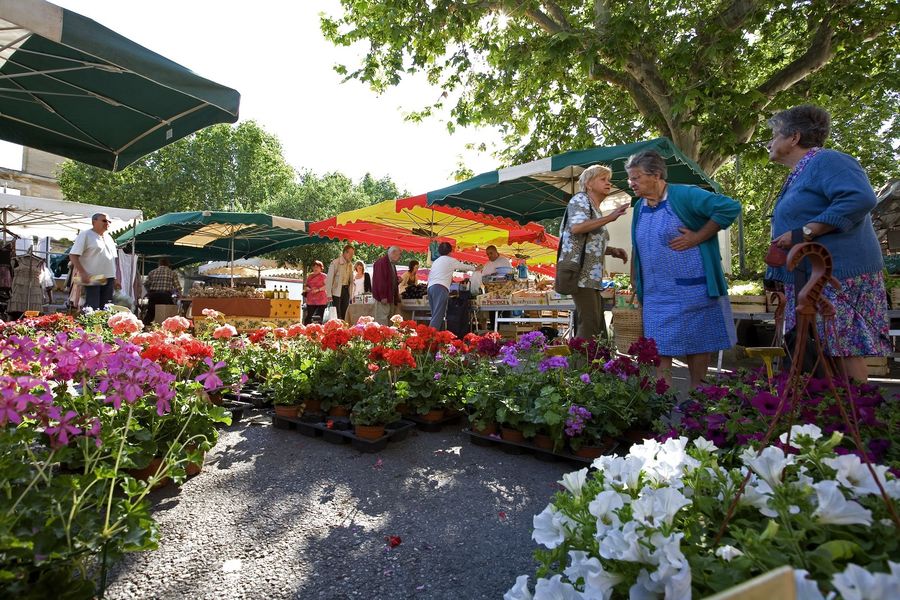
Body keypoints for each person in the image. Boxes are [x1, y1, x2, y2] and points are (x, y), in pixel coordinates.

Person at [767, 105, 889, 382]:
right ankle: (834, 417)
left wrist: (807, 231)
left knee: (842, 347)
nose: (770, 143)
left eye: (774, 135)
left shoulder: (828, 161)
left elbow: (860, 198)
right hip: (812, 278)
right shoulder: (803, 171)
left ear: (794, 137)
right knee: (820, 349)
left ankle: (861, 416)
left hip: (836, 275)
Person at [628, 150, 740, 388]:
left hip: (693, 289)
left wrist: (699, 236)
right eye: (631, 178)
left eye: (636, 177)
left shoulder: (684, 195)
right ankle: (662, 404)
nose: (631, 183)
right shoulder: (639, 207)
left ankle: (698, 399)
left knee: (697, 345)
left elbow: (729, 207)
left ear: (656, 175)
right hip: (657, 294)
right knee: (658, 348)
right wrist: (635, 282)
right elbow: (637, 245)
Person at [558, 164, 629, 340]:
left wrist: (611, 251)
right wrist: (611, 217)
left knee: (597, 325)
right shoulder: (580, 200)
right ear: (589, 184)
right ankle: (580, 366)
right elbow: (577, 228)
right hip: (581, 275)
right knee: (589, 324)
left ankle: (596, 364)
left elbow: (589, 243)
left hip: (591, 277)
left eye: (609, 180)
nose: (608, 183)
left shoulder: (594, 208)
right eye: (603, 179)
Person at [69, 212, 120, 310]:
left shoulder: (109, 237)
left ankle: (102, 325)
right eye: (104, 220)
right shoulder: (86, 235)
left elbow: (112, 259)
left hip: (109, 277)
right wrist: (83, 273)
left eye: (109, 221)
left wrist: (115, 278)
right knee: (92, 307)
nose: (107, 223)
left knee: (106, 307)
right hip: (93, 276)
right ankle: (90, 325)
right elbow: (73, 255)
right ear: (94, 222)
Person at [427, 242, 480, 330]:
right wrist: (475, 268)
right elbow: (463, 266)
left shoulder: (436, 261)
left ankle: (435, 336)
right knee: (438, 316)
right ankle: (429, 337)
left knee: (435, 315)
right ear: (450, 251)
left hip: (431, 287)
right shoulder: (450, 260)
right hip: (440, 288)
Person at [143, 258, 181, 325]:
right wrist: (179, 294)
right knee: (167, 314)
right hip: (165, 295)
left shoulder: (152, 272)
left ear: (159, 264)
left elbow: (146, 284)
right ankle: (166, 328)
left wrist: (149, 291)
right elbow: (177, 287)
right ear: (168, 264)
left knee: (150, 313)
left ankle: (144, 327)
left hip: (153, 294)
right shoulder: (172, 273)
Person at [372, 246, 402, 325]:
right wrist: (383, 296)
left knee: (389, 319)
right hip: (384, 298)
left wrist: (396, 280)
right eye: (399, 254)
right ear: (393, 253)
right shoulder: (382, 263)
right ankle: (382, 335)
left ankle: (387, 335)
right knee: (382, 319)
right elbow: (379, 280)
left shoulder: (391, 264)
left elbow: (388, 280)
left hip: (389, 297)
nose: (400, 257)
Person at [325, 245, 354, 320]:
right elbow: (329, 279)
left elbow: (351, 281)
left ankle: (344, 330)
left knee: (345, 312)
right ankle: (337, 329)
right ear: (344, 252)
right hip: (336, 292)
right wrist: (328, 294)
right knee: (337, 314)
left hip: (346, 290)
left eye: (352, 254)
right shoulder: (335, 262)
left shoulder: (350, 264)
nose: (351, 256)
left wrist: (351, 295)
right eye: (350, 254)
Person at [303, 260, 329, 325]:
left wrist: (318, 290)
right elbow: (306, 286)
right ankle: (305, 330)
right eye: (314, 267)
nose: (315, 268)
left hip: (321, 300)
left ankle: (318, 331)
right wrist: (307, 288)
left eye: (317, 267)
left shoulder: (324, 276)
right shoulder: (310, 276)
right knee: (309, 317)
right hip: (311, 300)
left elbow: (328, 286)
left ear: (321, 268)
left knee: (319, 317)